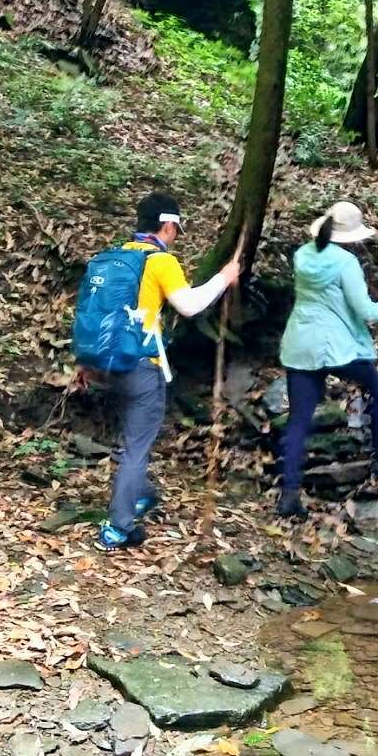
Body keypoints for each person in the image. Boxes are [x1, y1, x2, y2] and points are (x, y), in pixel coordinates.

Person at [91, 192, 240, 553]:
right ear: (168, 224)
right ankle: (118, 528)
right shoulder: (159, 261)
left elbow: (94, 313)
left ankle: (140, 497)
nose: (175, 235)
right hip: (143, 364)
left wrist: (84, 365)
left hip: (107, 362)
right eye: (176, 228)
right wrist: (224, 277)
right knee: (136, 448)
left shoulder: (112, 258)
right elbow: (189, 306)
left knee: (131, 438)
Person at [277, 200, 378, 519]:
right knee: (376, 391)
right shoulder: (346, 263)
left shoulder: (303, 254)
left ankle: (289, 495)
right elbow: (365, 310)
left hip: (300, 344)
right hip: (339, 347)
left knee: (298, 419)